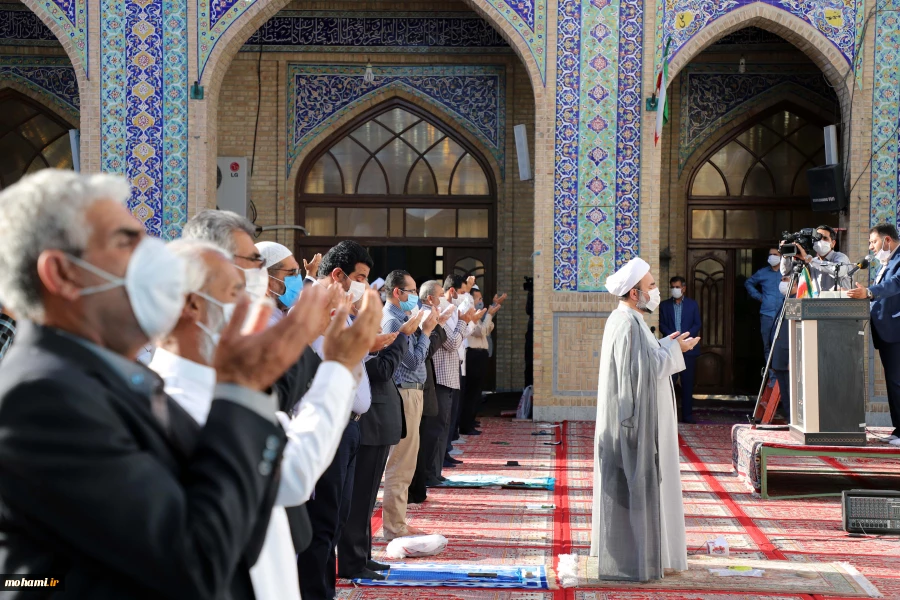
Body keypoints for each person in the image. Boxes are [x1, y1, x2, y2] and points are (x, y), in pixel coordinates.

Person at [0, 170, 334, 598]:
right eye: (126, 242)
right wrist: (242, 388)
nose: (154, 259)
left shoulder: (122, 380)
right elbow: (195, 561)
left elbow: (241, 528)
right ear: (63, 274)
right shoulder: (44, 398)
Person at [150, 239, 375, 600]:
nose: (249, 303)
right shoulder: (174, 400)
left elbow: (291, 464)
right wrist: (337, 366)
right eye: (236, 291)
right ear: (192, 304)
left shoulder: (219, 379)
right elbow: (293, 476)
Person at [590, 257, 698, 582]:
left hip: (654, 418)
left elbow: (646, 359)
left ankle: (657, 552)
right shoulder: (626, 323)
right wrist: (677, 351)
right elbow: (642, 372)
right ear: (635, 293)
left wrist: (669, 344)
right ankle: (638, 557)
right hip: (639, 423)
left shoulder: (633, 321)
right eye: (651, 287)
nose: (658, 292)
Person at [297, 240, 375, 600]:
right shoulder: (315, 313)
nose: (363, 286)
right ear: (339, 275)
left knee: (338, 518)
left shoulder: (345, 314)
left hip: (351, 426)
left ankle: (325, 590)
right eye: (359, 277)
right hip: (328, 427)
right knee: (323, 522)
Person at [379, 270, 440, 541]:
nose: (415, 296)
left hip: (412, 393)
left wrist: (423, 329)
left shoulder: (402, 317)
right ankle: (393, 526)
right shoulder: (392, 321)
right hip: (404, 393)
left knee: (407, 462)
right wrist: (426, 331)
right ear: (397, 292)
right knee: (400, 462)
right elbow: (413, 362)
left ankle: (398, 522)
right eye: (411, 290)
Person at [847, 223, 900, 446]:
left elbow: (895, 284)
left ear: (887, 240)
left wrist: (868, 292)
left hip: (897, 332)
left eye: (874, 241)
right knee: (893, 382)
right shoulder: (886, 263)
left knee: (898, 382)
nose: (871, 247)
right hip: (887, 332)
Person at [431, 278, 475, 480]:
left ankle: (438, 468)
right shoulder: (441, 313)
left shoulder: (449, 312)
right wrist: (464, 321)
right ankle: (432, 471)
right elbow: (452, 343)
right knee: (437, 428)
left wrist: (465, 321)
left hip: (449, 374)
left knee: (445, 424)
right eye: (440, 295)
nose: (444, 298)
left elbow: (463, 335)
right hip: (440, 376)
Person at [409, 281, 450, 497]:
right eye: (440, 294)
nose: (442, 298)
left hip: (425, 384)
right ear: (430, 298)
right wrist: (436, 327)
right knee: (422, 439)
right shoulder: (422, 315)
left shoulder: (430, 315)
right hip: (418, 385)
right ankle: (418, 484)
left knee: (429, 436)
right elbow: (425, 352)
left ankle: (422, 482)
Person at [459, 286, 505, 434]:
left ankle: (470, 420)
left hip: (480, 354)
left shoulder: (477, 316)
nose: (481, 301)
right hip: (473, 354)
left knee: (477, 391)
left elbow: (488, 327)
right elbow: (482, 330)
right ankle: (465, 425)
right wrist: (490, 315)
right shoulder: (469, 315)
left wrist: (491, 310)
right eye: (478, 299)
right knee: (471, 392)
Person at [658, 276, 702, 423]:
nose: (674, 290)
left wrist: (686, 337)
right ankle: (668, 417)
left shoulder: (692, 305)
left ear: (683, 288)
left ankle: (687, 416)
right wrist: (674, 338)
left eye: (677, 287)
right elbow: (662, 325)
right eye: (672, 287)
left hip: (688, 350)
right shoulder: (664, 306)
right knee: (669, 384)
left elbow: (697, 324)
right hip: (670, 349)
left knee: (687, 384)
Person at [780, 225, 851, 292]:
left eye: (825, 238)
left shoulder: (840, 257)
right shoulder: (812, 262)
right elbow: (785, 272)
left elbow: (838, 271)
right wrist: (785, 255)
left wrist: (809, 259)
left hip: (839, 303)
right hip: (816, 304)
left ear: (833, 243)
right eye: (817, 239)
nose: (820, 241)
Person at [745, 248, 785, 367]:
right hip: (767, 314)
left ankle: (782, 376)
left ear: (781, 256)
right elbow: (748, 283)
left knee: (782, 346)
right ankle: (772, 377)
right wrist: (759, 297)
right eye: (770, 254)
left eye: (775, 254)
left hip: (784, 314)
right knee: (768, 346)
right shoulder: (763, 272)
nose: (772, 256)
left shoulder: (787, 271)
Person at [257, 240, 304, 320]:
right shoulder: (263, 323)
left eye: (298, 272)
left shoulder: (285, 316)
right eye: (291, 273)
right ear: (267, 281)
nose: (298, 279)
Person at [770, 275, 794, 423]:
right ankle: (790, 419)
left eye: (785, 279)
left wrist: (793, 357)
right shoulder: (786, 299)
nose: (782, 283)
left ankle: (793, 420)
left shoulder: (797, 299)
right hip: (780, 356)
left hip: (788, 358)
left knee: (792, 394)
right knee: (786, 394)